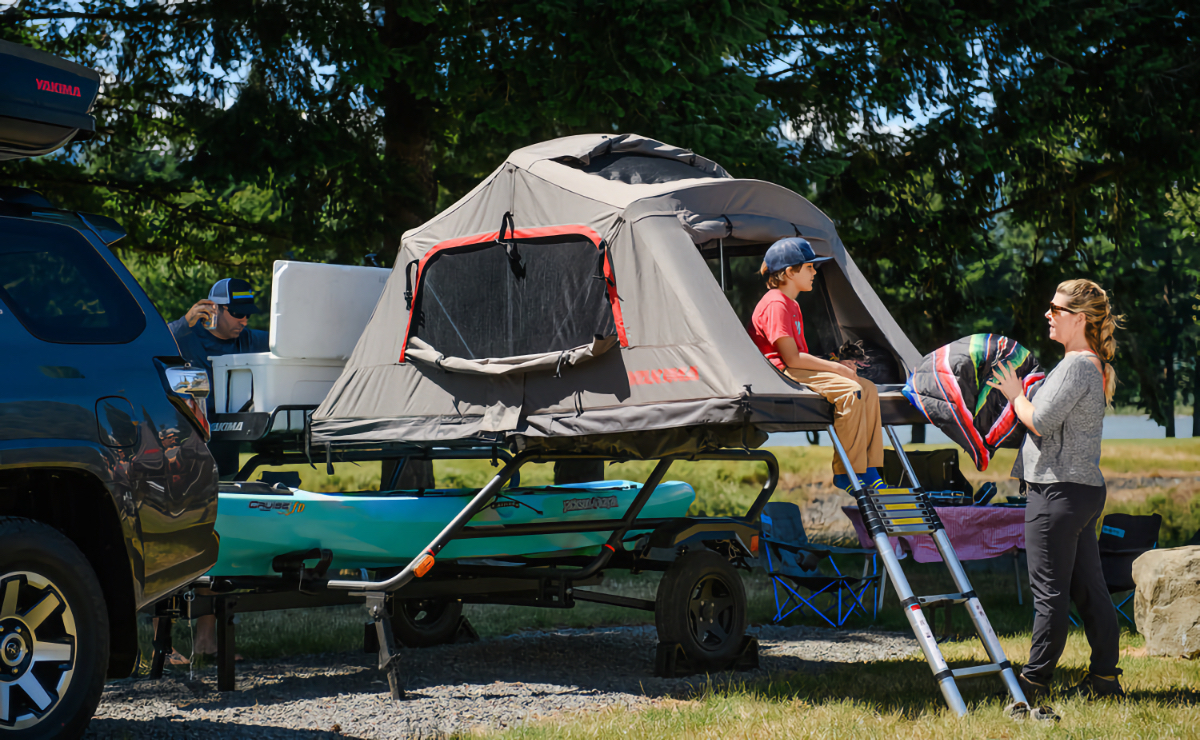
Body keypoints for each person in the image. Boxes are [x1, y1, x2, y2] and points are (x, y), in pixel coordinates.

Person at [988, 278, 1124, 701]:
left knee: (1050, 595)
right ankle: (1104, 679)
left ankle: (1032, 684)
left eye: (1056, 309)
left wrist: (1014, 395)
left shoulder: (1078, 364)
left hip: (1056, 492)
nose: (1048, 314)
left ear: (1079, 318)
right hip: (1080, 491)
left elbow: (1040, 420)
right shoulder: (1089, 364)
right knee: (1088, 588)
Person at [163, 277, 267, 665]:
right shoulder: (184, 337)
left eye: (247, 313)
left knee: (219, 547)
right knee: (177, 547)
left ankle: (208, 642)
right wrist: (180, 324)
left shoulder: (249, 341)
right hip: (183, 458)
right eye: (236, 312)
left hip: (225, 458)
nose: (243, 320)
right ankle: (164, 645)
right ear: (214, 309)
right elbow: (147, 350)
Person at [747, 237, 886, 492]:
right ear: (789, 271)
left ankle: (869, 467)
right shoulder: (776, 303)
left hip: (793, 368)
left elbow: (799, 357)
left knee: (868, 389)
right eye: (809, 266)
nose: (814, 271)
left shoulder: (792, 304)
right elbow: (790, 359)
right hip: (780, 373)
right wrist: (838, 368)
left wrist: (837, 364)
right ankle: (847, 471)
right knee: (850, 391)